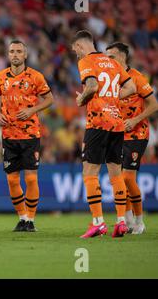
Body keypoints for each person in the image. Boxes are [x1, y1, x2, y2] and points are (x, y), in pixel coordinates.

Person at [71, 30, 137, 238]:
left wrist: (82, 99)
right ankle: (120, 222)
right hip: (117, 122)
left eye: (76, 51)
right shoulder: (113, 62)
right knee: (115, 174)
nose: (76, 55)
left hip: (98, 122)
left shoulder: (86, 62)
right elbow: (132, 87)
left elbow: (91, 86)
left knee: (89, 173)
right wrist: (113, 100)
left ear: (81, 46)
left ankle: (98, 222)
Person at [0, 40, 54, 232]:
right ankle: (22, 218)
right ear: (8, 55)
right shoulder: (1, 77)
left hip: (30, 134)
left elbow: (50, 99)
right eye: (12, 51)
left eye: (18, 51)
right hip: (8, 134)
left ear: (25, 55)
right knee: (12, 180)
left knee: (31, 179)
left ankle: (31, 220)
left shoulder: (35, 76)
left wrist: (33, 109)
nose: (15, 54)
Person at [106, 42, 158, 235]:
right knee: (118, 179)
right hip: (116, 133)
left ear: (122, 57)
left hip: (137, 133)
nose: (108, 60)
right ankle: (126, 221)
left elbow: (154, 105)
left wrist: (135, 119)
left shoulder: (137, 77)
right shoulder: (110, 80)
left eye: (111, 56)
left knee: (128, 177)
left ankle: (139, 221)